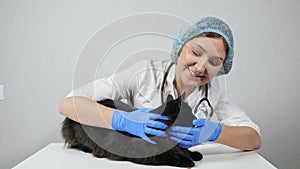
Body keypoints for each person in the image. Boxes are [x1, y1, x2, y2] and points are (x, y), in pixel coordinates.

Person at [59, 16, 261, 150]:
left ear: (222, 68)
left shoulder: (216, 91)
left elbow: (253, 139)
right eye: (196, 53)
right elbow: (68, 104)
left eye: (214, 62)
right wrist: (121, 119)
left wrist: (216, 133)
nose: (200, 67)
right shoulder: (144, 73)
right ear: (180, 48)